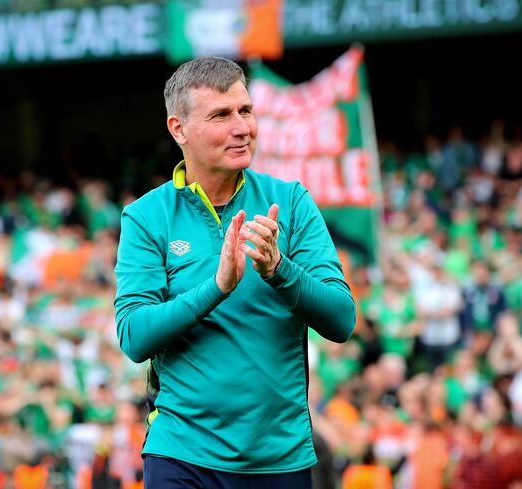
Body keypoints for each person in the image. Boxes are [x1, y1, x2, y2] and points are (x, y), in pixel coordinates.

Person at [113, 56, 356, 488]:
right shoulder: (146, 216)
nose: (242, 126)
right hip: (181, 454)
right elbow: (133, 336)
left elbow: (341, 320)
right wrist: (216, 288)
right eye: (221, 115)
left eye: (246, 110)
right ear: (179, 129)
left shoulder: (292, 202)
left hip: (279, 459)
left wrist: (280, 270)